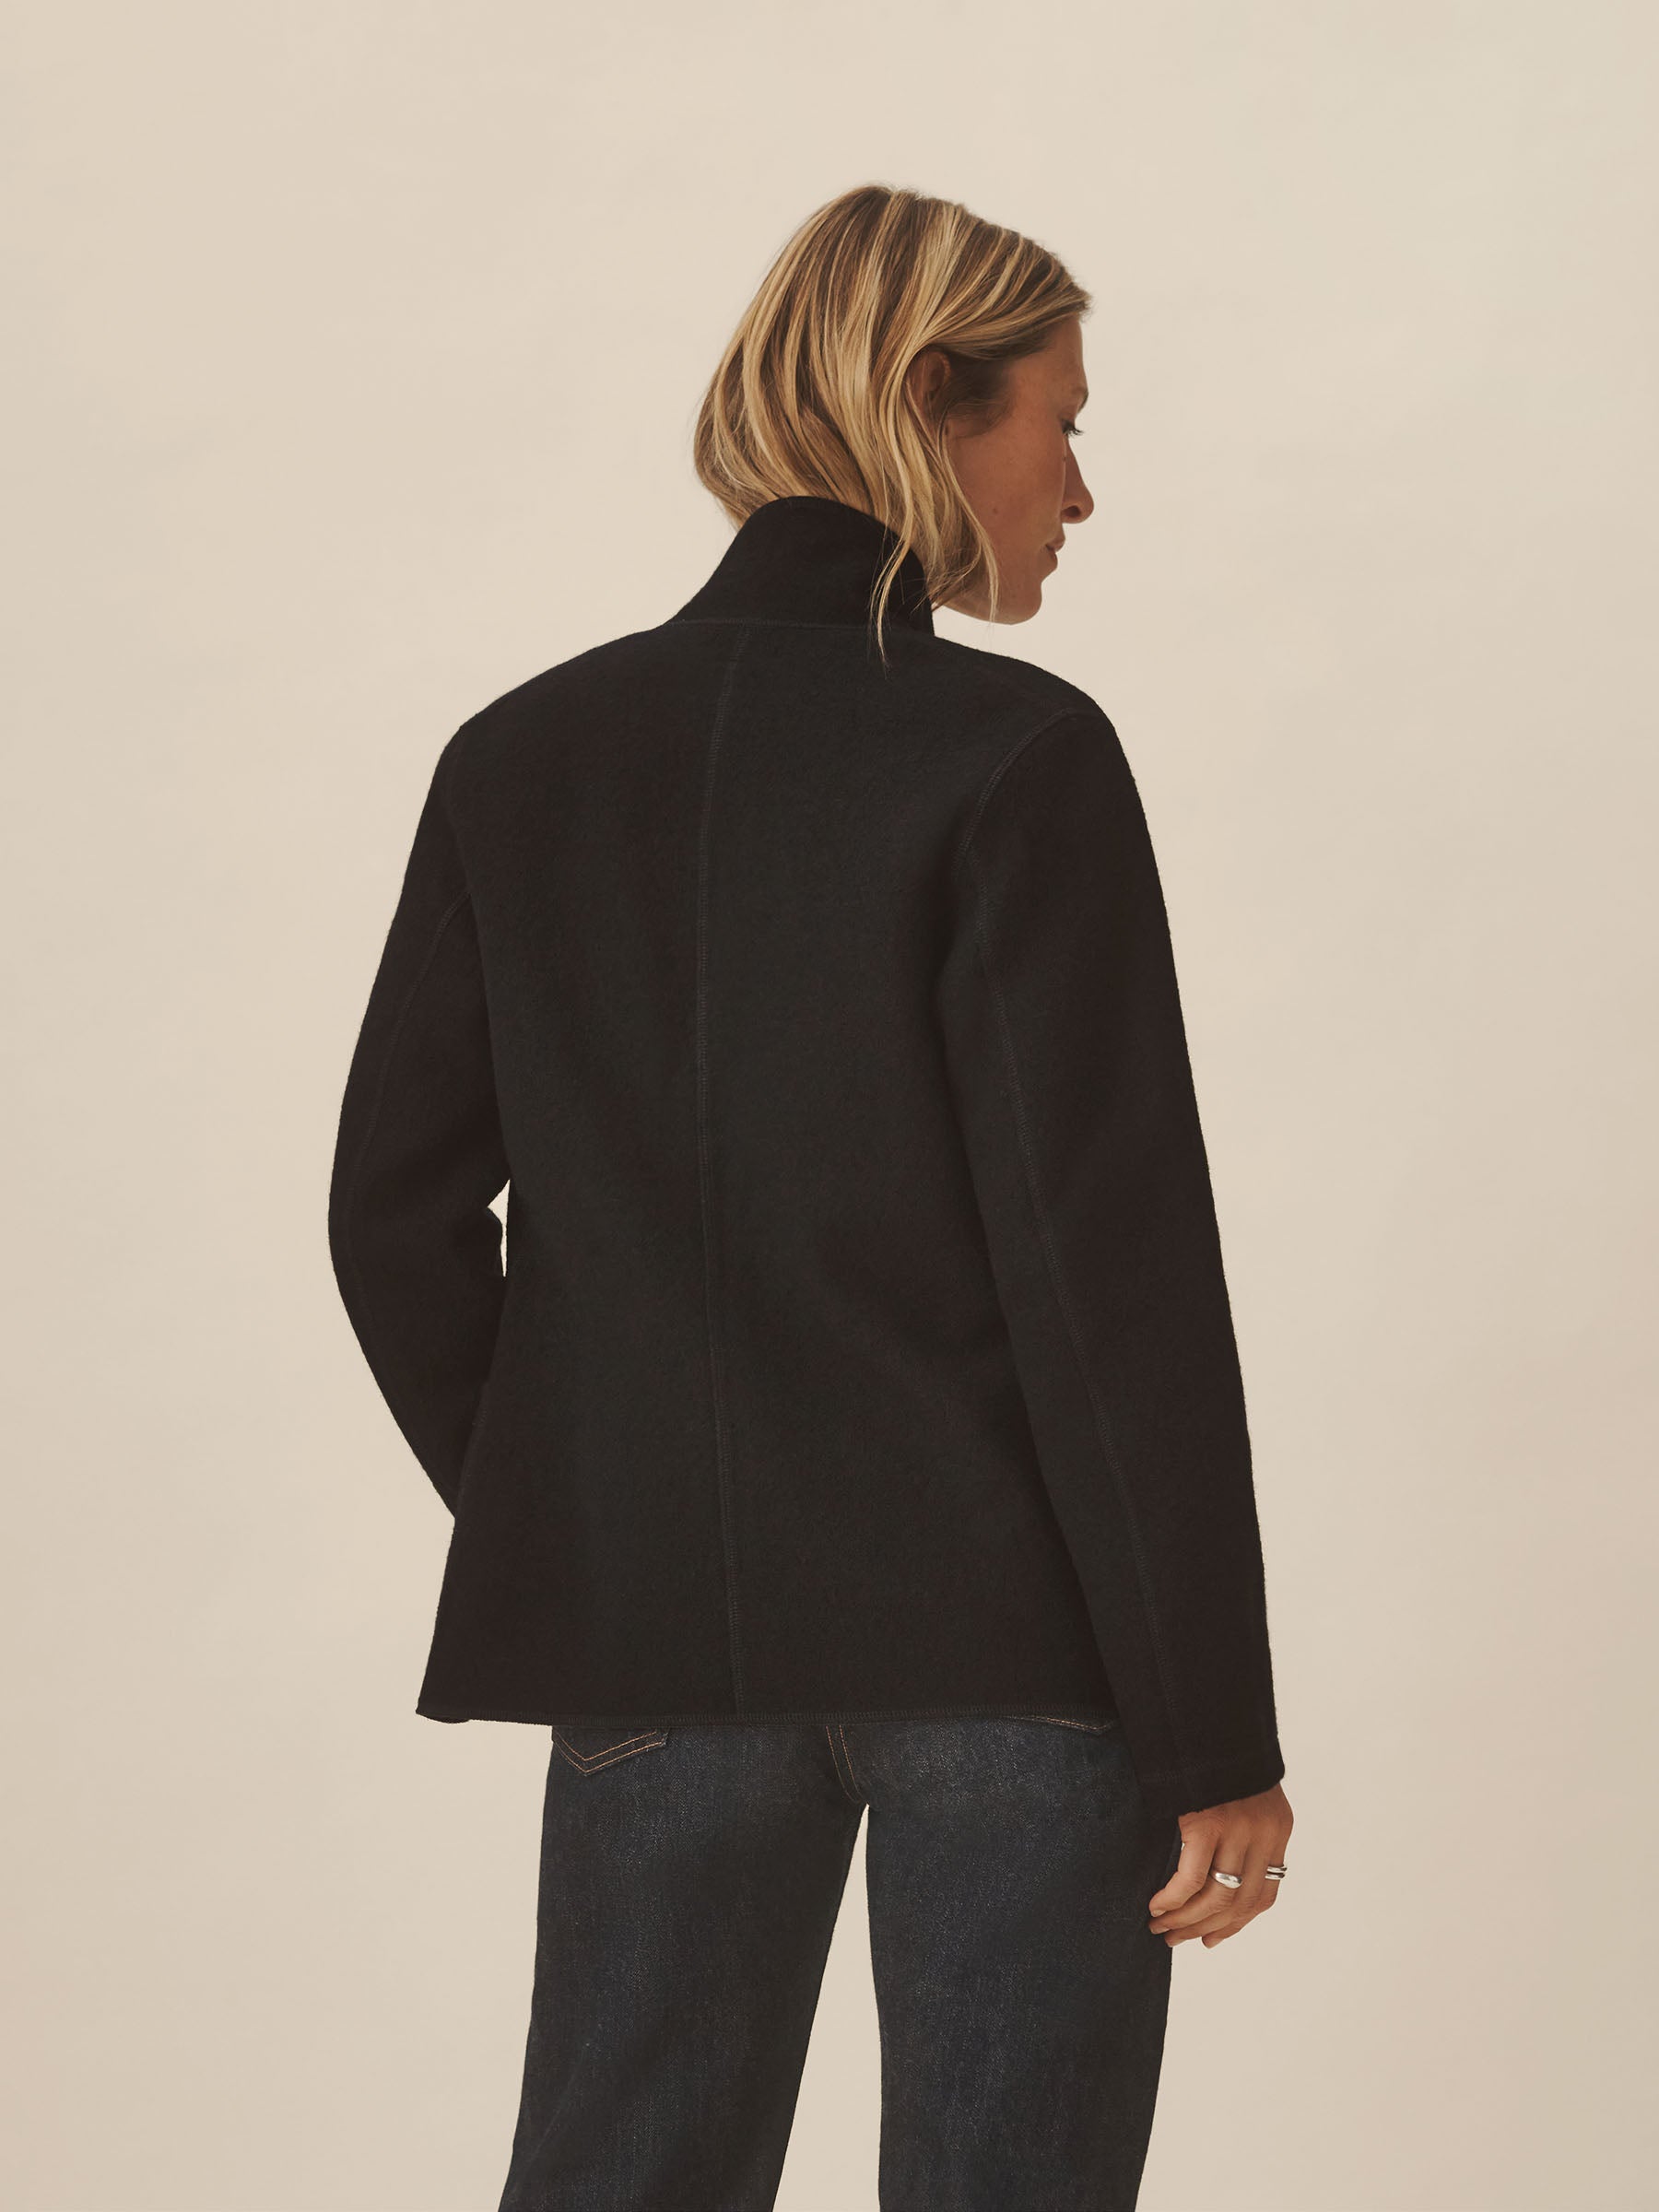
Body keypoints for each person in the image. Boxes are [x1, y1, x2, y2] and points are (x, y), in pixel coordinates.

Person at [327, 182, 1293, 2212]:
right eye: (1061, 423)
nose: (1079, 490)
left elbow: (390, 1220)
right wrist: (1215, 1728)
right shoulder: (1016, 757)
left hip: (654, 1646)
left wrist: (592, 1511)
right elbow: (1106, 1269)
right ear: (932, 399)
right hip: (1010, 1648)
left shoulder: (523, 757)